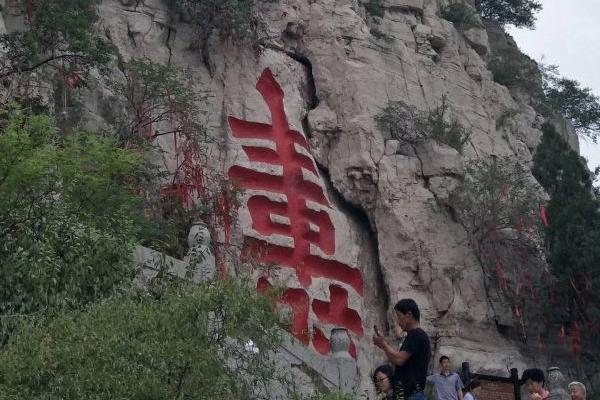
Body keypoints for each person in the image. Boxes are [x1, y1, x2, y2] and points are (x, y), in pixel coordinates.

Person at [373, 299, 431, 400]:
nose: (398, 322)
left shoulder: (416, 334)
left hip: (412, 395)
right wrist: (384, 345)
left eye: (399, 316)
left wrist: (383, 345)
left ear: (408, 315)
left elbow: (399, 359)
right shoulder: (417, 335)